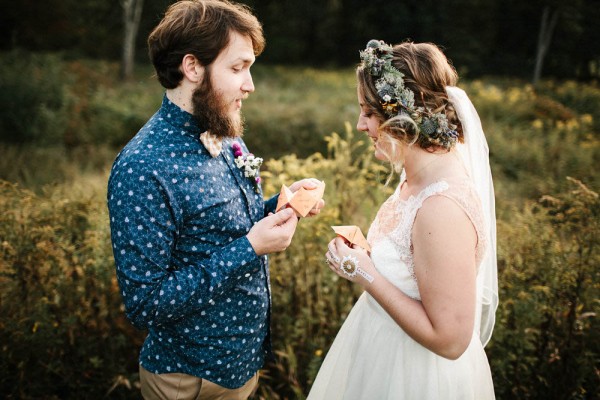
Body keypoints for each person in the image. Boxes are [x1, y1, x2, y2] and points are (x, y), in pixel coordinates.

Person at [107, 1, 324, 399]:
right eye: (238, 68)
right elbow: (145, 303)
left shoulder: (223, 130)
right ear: (192, 68)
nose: (250, 84)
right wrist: (251, 247)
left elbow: (223, 228)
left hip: (240, 367)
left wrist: (283, 203)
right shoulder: (143, 167)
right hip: (187, 381)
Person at [308, 40, 498, 400]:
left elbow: (451, 340)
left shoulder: (442, 207)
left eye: (368, 113)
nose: (360, 125)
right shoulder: (416, 176)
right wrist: (364, 253)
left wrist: (364, 272)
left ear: (403, 115)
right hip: (379, 357)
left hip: (417, 378)